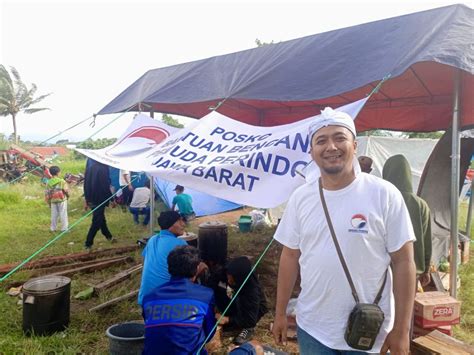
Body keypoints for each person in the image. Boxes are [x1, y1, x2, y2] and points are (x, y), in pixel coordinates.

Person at [272, 107, 416, 354]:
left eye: (339, 137)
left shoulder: (383, 194)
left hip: (369, 330)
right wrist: (280, 314)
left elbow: (403, 261)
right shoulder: (300, 198)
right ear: (311, 151)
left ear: (355, 145)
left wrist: (401, 330)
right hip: (314, 328)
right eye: (321, 140)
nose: (331, 147)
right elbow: (290, 256)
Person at [142, 245, 216, 354]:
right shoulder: (206, 295)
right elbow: (209, 332)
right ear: (196, 269)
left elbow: (153, 329)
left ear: (169, 268)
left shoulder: (148, 297)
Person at [382, 154, 432, 287]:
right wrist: (426, 269)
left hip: (383, 271)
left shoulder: (380, 201)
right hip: (412, 271)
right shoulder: (420, 204)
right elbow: (426, 240)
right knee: (406, 307)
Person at [138, 211, 188, 305]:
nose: (183, 224)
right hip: (166, 304)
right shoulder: (180, 244)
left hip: (145, 300)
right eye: (179, 221)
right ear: (170, 225)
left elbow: (143, 263)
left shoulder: (152, 239)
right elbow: (190, 274)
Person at [216, 256, 268, 345]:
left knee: (246, 317)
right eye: (228, 277)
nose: (228, 281)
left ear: (240, 278)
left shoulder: (251, 292)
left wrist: (228, 319)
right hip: (238, 298)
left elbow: (249, 319)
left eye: (231, 280)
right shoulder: (230, 270)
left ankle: (248, 329)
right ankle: (233, 320)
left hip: (252, 312)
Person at [83, 159, 116, 250]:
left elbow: (85, 184)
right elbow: (105, 185)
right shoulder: (103, 168)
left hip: (91, 197)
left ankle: (109, 237)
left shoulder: (89, 168)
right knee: (97, 221)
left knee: (100, 218)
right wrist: (112, 199)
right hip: (99, 198)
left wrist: (86, 199)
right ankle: (88, 243)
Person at [45, 165, 69, 232]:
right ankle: (64, 228)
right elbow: (66, 190)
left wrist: (48, 201)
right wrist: (68, 195)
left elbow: (47, 193)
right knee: (63, 213)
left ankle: (53, 228)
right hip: (61, 199)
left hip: (53, 200)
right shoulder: (62, 181)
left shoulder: (48, 182)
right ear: (58, 173)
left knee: (54, 214)